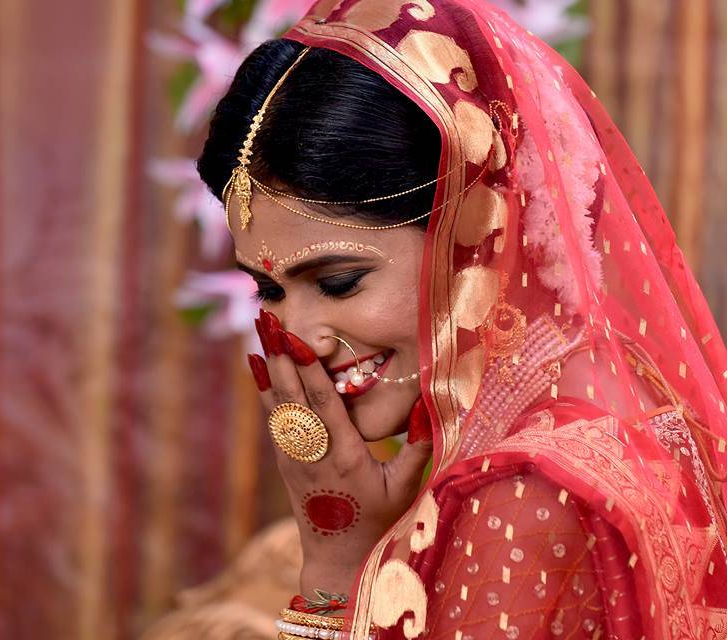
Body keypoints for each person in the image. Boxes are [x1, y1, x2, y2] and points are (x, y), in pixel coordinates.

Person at [196, 0, 727, 638]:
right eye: (268, 291)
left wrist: (332, 574)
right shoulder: (623, 401)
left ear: (480, 228)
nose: (303, 337)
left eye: (338, 281)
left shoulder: (522, 491)